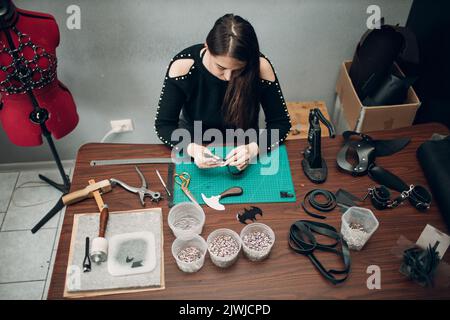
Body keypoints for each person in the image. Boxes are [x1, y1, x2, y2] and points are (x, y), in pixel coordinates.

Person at [154, 13, 291, 171]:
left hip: (244, 143)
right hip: (196, 142)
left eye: (239, 69)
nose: (228, 77)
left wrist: (254, 149)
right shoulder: (183, 67)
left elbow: (280, 123)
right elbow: (164, 125)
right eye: (221, 67)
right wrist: (191, 149)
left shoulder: (260, 67)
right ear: (207, 46)